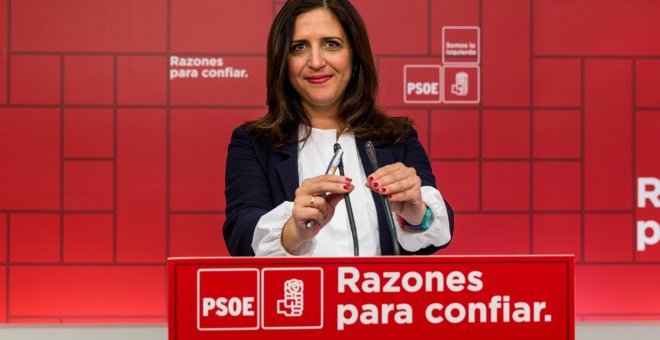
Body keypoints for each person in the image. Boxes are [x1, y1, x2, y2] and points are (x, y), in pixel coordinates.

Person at [223, 0, 454, 256]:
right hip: (297, 294)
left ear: (355, 56)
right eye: (299, 47)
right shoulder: (254, 142)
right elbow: (241, 235)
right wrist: (294, 231)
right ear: (283, 62)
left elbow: (436, 233)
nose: (316, 61)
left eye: (331, 44)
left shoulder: (397, 137)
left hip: (377, 296)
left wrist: (416, 214)